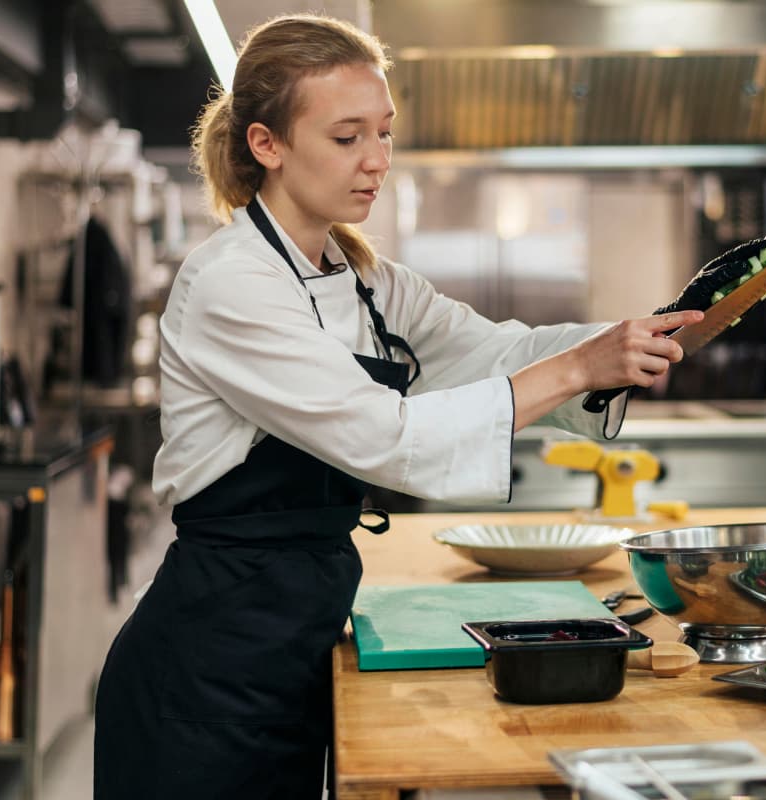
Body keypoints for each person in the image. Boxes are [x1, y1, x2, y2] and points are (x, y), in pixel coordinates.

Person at [92, 12, 701, 800]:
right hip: (206, 666)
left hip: (295, 638)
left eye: (384, 133)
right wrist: (582, 365)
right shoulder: (231, 284)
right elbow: (385, 439)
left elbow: (494, 352)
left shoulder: (364, 277)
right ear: (265, 145)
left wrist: (626, 344)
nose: (377, 161)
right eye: (347, 138)